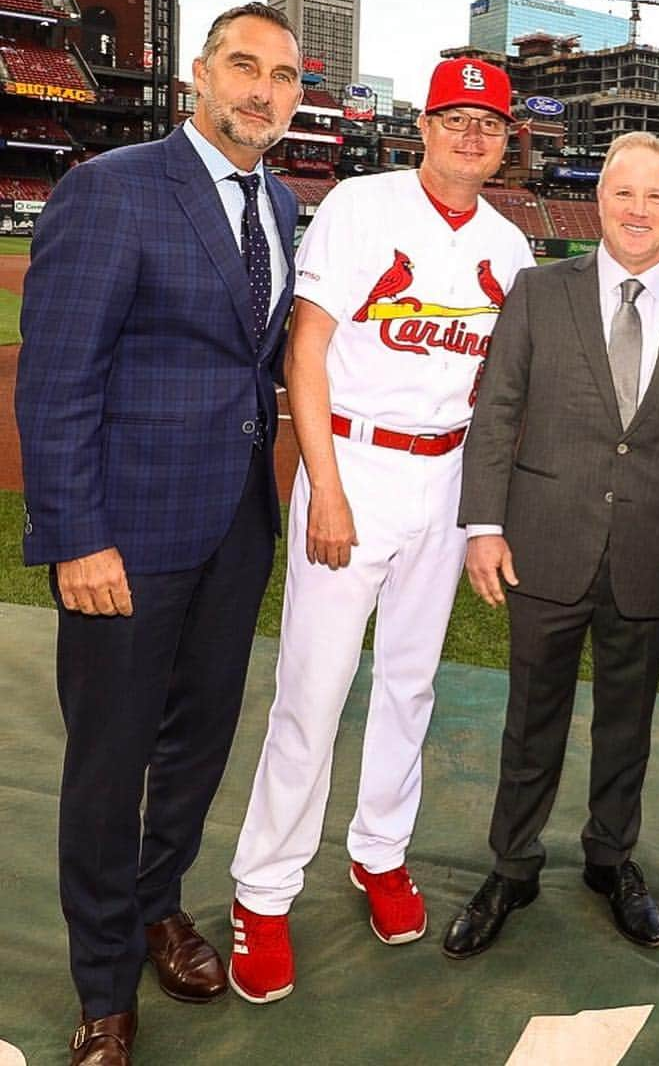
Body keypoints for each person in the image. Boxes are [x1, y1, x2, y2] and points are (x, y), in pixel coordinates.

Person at [15, 3, 303, 1065]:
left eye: (282, 76)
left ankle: (156, 906)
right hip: (124, 537)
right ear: (197, 75)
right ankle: (101, 985)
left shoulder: (278, 199)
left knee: (195, 747)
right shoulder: (113, 189)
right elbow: (54, 384)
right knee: (109, 761)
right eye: (243, 66)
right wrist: (77, 537)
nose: (263, 91)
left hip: (233, 525)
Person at [226, 57, 534, 1003]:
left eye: (489, 122)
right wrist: (323, 485)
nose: (472, 135)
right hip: (353, 463)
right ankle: (263, 893)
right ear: (424, 126)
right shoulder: (363, 204)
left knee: (410, 682)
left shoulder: (511, 245)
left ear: (505, 139)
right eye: (455, 118)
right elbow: (306, 348)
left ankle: (379, 853)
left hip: (446, 476)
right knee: (312, 691)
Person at [441, 132, 659, 961]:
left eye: (656, 197)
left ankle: (611, 859)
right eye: (624, 195)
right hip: (543, 541)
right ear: (599, 201)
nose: (639, 212)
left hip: (654, 546)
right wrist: (483, 526)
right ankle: (511, 866)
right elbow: (498, 410)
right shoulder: (540, 291)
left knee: (629, 723)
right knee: (529, 720)